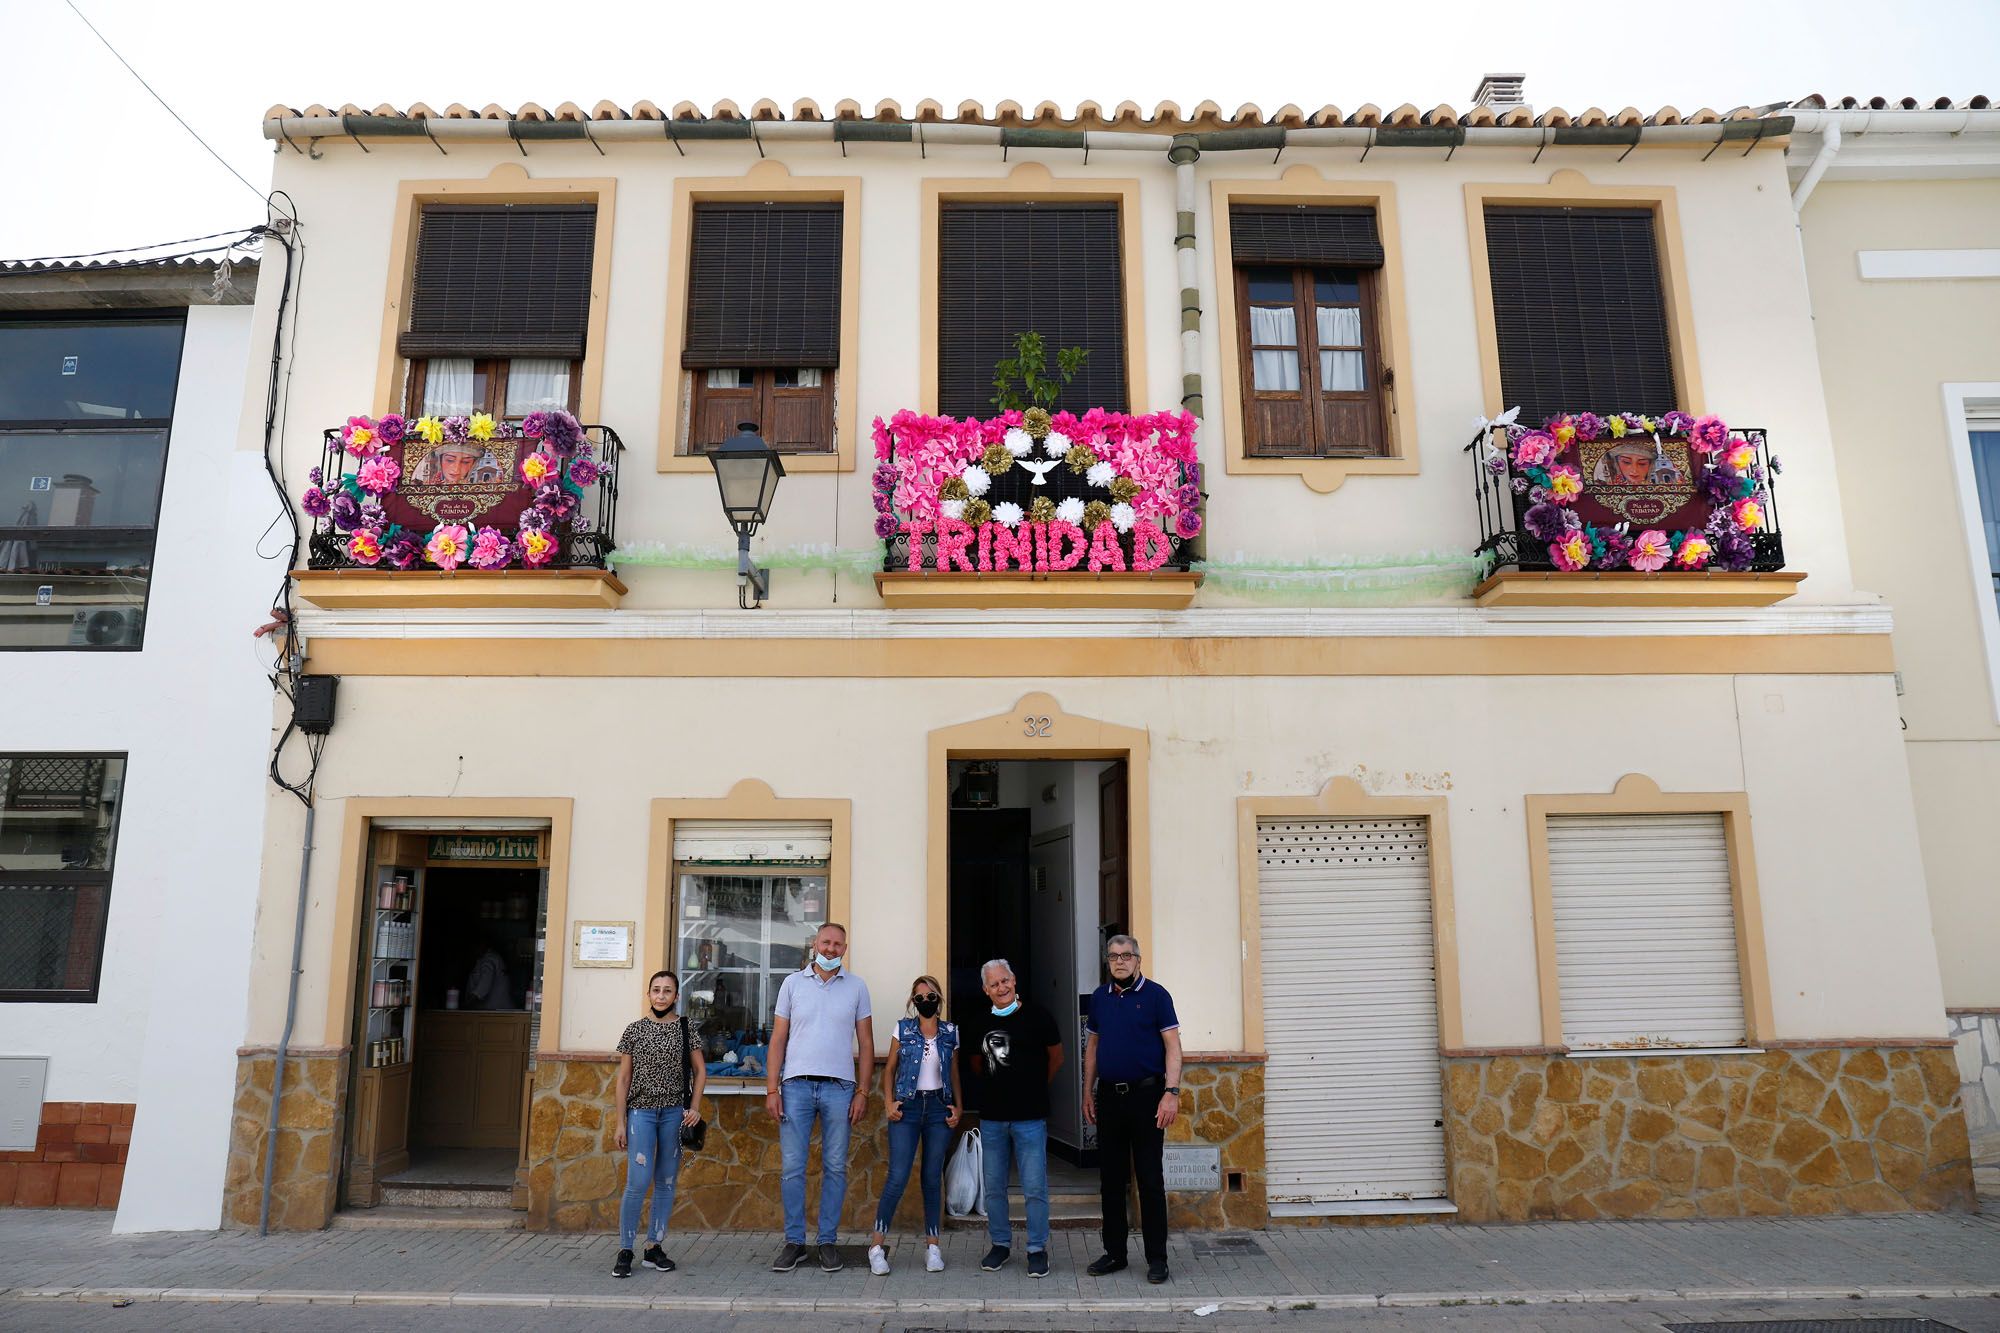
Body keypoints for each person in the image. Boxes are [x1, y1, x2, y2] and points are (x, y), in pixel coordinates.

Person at [766, 922, 874, 1274]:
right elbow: (778, 1039)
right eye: (825, 942)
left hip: (840, 1088)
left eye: (837, 944)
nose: (830, 949)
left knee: (835, 1168)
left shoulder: (857, 987)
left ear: (845, 948)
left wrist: (863, 1090)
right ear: (815, 944)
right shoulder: (792, 984)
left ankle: (827, 1241)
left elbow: (867, 1044)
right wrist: (772, 1088)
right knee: (793, 1168)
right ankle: (795, 1242)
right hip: (795, 1086)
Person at [1082, 934, 1182, 1285]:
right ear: (1107, 962)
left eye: (1126, 955)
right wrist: (1087, 1092)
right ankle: (1115, 1253)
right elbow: (1092, 1047)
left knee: (1150, 1179)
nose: (1120, 961)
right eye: (1113, 956)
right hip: (1110, 1097)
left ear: (1138, 960)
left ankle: (1157, 1258)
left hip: (1147, 1098)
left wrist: (1171, 1093)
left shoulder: (1157, 996)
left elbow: (1173, 1046)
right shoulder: (1099, 998)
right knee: (1110, 1180)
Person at [965, 958, 1064, 1278]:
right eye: (994, 984)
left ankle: (1037, 1249)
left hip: (1030, 1117)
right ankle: (1000, 1244)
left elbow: (1056, 1058)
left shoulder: (1039, 1016)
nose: (1001, 988)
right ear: (985, 990)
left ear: (1014, 980)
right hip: (993, 1117)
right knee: (994, 1186)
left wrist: (1033, 1086)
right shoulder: (978, 1022)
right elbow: (976, 1064)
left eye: (1005, 981)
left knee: (1034, 1186)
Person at [610, 970, 706, 1279]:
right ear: (649, 994)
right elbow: (623, 1079)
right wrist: (620, 1122)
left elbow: (700, 1072)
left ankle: (654, 1247)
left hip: (674, 1114)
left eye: (667, 990)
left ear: (676, 996)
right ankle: (626, 1249)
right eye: (656, 990)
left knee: (666, 1181)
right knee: (637, 1182)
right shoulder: (635, 1030)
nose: (661, 995)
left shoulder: (686, 1028)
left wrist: (695, 1108)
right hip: (641, 1113)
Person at [866, 975, 961, 1276]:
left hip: (937, 1109)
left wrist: (957, 1106)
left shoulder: (950, 1032)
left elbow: (954, 1073)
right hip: (907, 1107)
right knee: (898, 1176)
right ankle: (876, 1247)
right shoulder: (903, 1029)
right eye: (920, 996)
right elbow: (889, 1070)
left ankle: (933, 1247)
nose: (926, 1000)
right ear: (912, 1001)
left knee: (932, 1178)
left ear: (939, 998)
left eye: (931, 995)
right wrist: (888, 1103)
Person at [464, 935, 512, 1010]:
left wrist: (469, 1001)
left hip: (493, 1011)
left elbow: (484, 983)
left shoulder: (489, 960)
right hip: (495, 1010)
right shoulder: (488, 958)